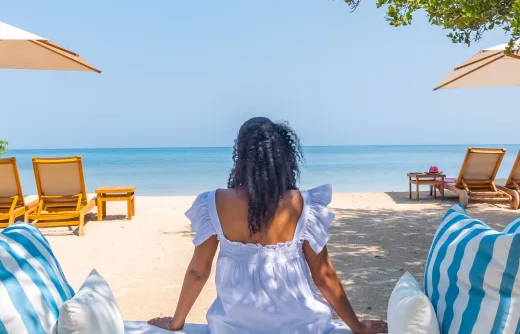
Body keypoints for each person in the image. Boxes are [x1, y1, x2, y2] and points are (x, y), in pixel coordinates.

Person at [148, 117, 386, 333]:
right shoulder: (302, 204)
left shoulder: (214, 203)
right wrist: (356, 326)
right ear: (284, 157)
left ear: (239, 154)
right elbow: (323, 275)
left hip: (232, 327)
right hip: (303, 326)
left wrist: (176, 323)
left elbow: (198, 272)